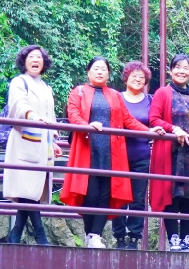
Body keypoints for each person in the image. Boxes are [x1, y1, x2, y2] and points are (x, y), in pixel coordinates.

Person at [62, 57, 155, 248]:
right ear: (88, 72)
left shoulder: (114, 95)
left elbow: (127, 119)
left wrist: (148, 131)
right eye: (96, 68)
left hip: (111, 152)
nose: (99, 72)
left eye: (103, 69)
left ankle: (95, 235)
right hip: (88, 150)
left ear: (108, 74)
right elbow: (73, 115)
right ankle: (90, 234)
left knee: (106, 194)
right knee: (90, 195)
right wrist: (87, 126)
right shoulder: (78, 92)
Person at [149, 55, 189, 252]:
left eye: (185, 68)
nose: (181, 71)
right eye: (177, 67)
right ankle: (173, 238)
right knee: (172, 193)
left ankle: (187, 238)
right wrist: (174, 128)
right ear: (170, 70)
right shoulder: (162, 93)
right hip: (172, 152)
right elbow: (154, 119)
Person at [3, 45, 61, 246]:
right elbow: (18, 105)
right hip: (24, 141)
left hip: (42, 144)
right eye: (31, 57)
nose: (35, 60)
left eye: (39, 57)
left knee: (32, 191)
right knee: (28, 190)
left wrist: (53, 141)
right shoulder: (19, 82)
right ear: (24, 61)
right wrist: (33, 117)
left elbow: (51, 116)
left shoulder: (46, 87)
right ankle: (40, 234)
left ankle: (16, 233)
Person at [112, 61, 155, 249]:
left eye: (141, 77)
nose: (138, 80)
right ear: (126, 78)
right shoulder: (116, 97)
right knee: (119, 196)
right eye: (134, 76)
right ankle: (119, 236)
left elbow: (155, 122)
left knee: (138, 198)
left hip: (141, 154)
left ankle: (134, 238)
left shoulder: (150, 100)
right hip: (119, 154)